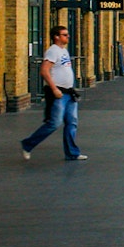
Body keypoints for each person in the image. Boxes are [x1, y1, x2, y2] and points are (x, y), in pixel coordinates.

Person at [20, 25, 87, 162]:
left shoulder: (64, 51)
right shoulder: (53, 51)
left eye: (67, 35)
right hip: (59, 93)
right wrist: (54, 89)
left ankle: (72, 153)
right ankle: (28, 144)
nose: (68, 37)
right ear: (56, 37)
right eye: (64, 35)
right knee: (54, 123)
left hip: (69, 93)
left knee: (72, 123)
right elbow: (44, 70)